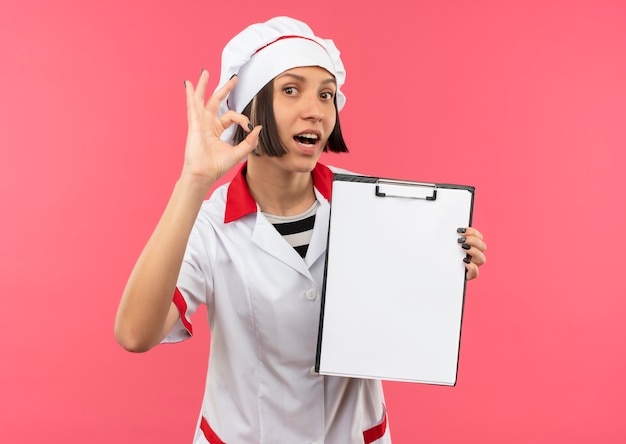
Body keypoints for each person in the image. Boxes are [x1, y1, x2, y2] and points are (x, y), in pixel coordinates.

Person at [115, 16, 487, 444]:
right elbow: (135, 334)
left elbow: (398, 322)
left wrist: (441, 273)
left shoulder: (373, 207)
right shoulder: (210, 226)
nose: (316, 109)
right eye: (291, 90)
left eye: (327, 95)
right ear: (252, 107)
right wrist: (193, 181)